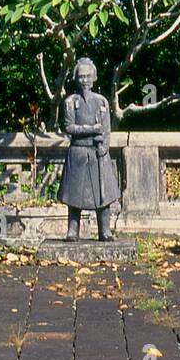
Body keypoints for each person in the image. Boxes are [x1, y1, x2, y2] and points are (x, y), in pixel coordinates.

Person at [59, 58, 120, 241]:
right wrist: (91, 129)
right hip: (78, 152)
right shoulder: (70, 102)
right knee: (74, 196)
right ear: (76, 79)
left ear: (94, 78)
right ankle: (73, 230)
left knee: (103, 195)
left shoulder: (101, 102)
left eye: (88, 76)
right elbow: (69, 127)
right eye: (81, 77)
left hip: (98, 152)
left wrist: (104, 147)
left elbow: (106, 128)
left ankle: (104, 230)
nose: (84, 80)